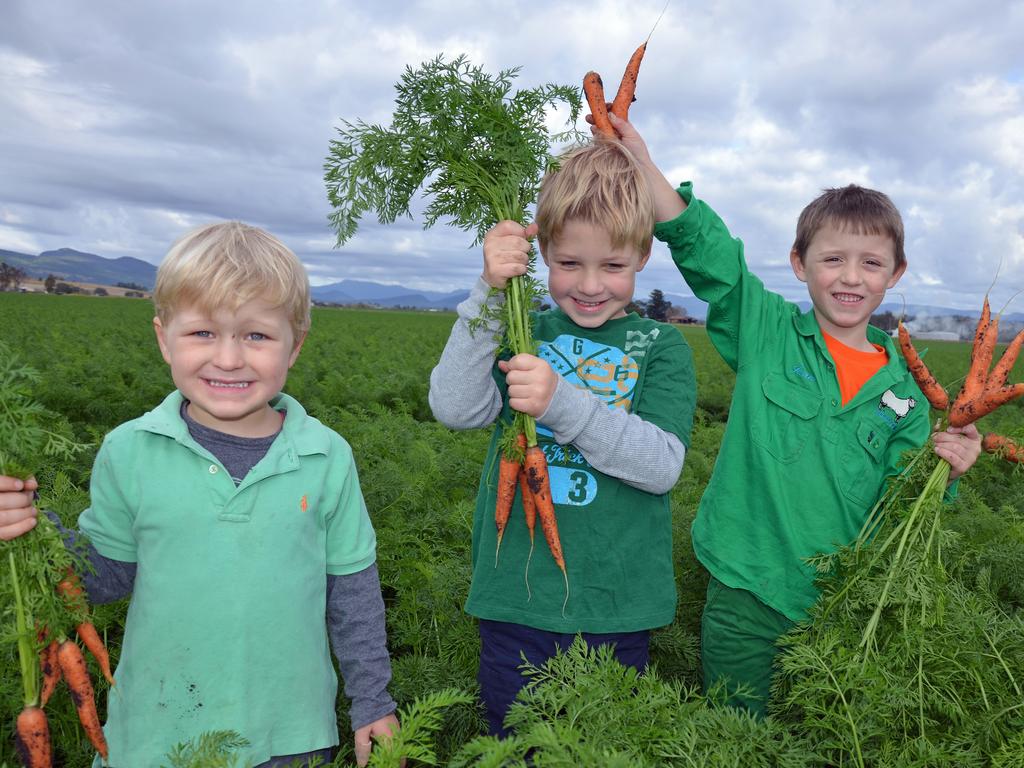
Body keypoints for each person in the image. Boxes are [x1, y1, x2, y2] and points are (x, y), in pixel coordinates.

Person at [592, 110, 982, 716]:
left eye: (871, 263)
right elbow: (709, 255)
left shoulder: (910, 389)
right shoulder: (767, 329)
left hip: (840, 607)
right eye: (832, 260)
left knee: (817, 737)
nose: (850, 277)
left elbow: (901, 507)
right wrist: (642, 163)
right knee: (736, 735)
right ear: (800, 264)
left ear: (895, 274)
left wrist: (947, 471)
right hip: (746, 587)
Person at [0, 222, 399, 767]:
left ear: (295, 345)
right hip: (156, 734)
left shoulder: (326, 456)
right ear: (164, 338)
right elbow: (105, 578)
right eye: (203, 334)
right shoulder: (130, 450)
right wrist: (35, 528)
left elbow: (352, 594)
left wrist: (373, 700)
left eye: (256, 336)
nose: (229, 359)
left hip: (290, 735)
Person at [428, 139, 698, 735]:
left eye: (613, 266)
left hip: (616, 603)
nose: (591, 285)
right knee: (516, 740)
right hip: (516, 595)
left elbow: (661, 466)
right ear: (541, 250)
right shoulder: (521, 327)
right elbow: (455, 407)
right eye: (570, 264)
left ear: (643, 256)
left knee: (600, 742)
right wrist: (489, 294)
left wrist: (561, 404)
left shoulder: (662, 347)